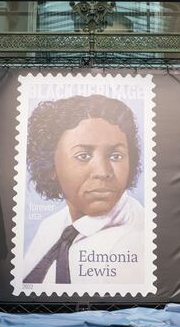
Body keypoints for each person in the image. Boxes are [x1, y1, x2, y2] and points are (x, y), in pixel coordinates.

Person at [22, 94, 144, 285]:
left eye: (116, 156)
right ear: (51, 166)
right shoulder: (50, 227)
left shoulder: (137, 239)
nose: (103, 172)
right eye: (84, 155)